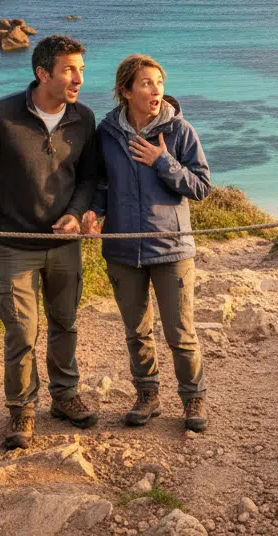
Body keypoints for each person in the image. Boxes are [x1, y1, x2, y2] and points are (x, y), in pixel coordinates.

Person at [0, 35, 100, 450]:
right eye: (69, 69)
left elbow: (88, 178)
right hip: (14, 246)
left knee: (65, 325)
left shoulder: (84, 118)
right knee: (21, 332)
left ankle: (64, 398)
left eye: (81, 68)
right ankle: (22, 411)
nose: (78, 77)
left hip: (66, 246)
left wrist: (76, 212)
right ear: (42, 73)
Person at [84, 54, 212, 432]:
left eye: (158, 81)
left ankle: (193, 400)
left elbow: (202, 187)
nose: (155, 89)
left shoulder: (180, 131)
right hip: (123, 250)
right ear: (125, 91)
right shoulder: (106, 134)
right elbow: (101, 184)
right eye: (145, 83)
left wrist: (162, 160)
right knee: (136, 331)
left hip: (171, 248)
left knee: (180, 332)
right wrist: (93, 212)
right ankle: (148, 396)